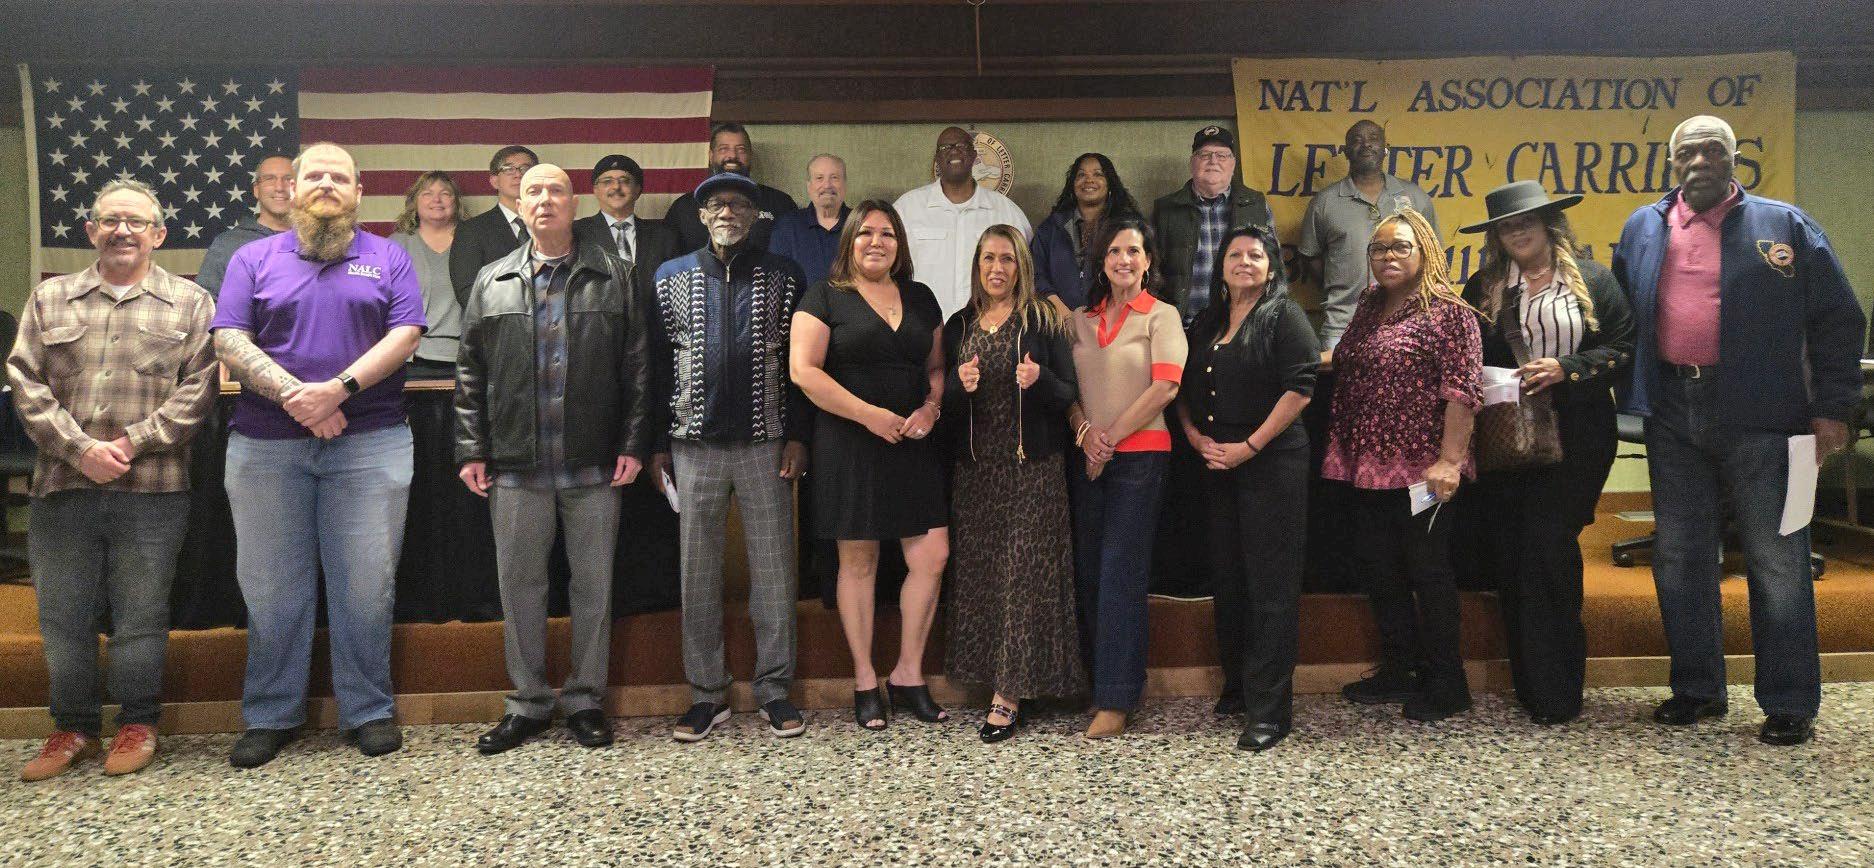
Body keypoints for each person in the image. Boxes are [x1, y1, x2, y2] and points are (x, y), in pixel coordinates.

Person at [1614, 115, 1864, 747]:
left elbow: (1839, 318)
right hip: (1673, 410)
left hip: (1766, 414)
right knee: (1680, 557)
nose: (1699, 162)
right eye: (1687, 153)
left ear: (1733, 160)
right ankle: (1698, 690)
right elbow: (1621, 318)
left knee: (1778, 557)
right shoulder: (1643, 226)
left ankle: (1788, 702)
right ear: (1671, 163)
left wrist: (1833, 407)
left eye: (1712, 151)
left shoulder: (1785, 226)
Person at [212, 142, 426, 767]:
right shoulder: (253, 258)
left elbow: (406, 334)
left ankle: (369, 710)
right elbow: (228, 338)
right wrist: (299, 398)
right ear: (291, 189)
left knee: (366, 584)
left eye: (339, 176)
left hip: (371, 443)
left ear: (359, 191)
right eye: (315, 175)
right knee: (271, 586)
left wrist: (339, 390)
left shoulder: (388, 256)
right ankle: (270, 714)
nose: (326, 184)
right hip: (265, 448)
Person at [7, 180, 218, 781]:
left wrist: (128, 444)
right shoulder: (50, 299)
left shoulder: (191, 303)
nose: (122, 230)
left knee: (141, 614)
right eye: (110, 220)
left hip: (153, 489)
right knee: (64, 616)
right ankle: (71, 727)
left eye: (136, 222)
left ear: (159, 234)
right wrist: (80, 450)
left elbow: (200, 389)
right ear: (91, 230)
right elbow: (24, 380)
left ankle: (138, 722)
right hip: (61, 486)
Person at [454, 164, 652, 754]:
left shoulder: (616, 275)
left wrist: (633, 444)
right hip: (516, 465)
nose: (544, 199)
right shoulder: (491, 279)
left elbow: (639, 368)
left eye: (556, 190)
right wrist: (471, 448)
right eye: (533, 190)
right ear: (520, 203)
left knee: (594, 585)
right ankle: (528, 703)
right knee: (520, 587)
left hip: (594, 463)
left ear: (575, 203)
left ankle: (586, 701)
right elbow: (470, 373)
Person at [1457, 181, 1635, 726]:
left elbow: (1626, 349)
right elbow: (1462, 356)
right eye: (1506, 225)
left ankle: (1560, 688)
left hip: (1578, 434)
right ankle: (1531, 684)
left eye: (1526, 221)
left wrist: (1567, 369)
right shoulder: (1483, 286)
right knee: (1512, 554)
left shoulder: (1595, 280)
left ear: (1549, 223)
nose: (1517, 231)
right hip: (1505, 438)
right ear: (1495, 236)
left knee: (1548, 545)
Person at [649, 172, 812, 742]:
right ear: (701, 215)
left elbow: (801, 364)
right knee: (697, 572)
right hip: (692, 444)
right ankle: (706, 694)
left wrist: (799, 435)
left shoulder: (785, 276)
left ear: (754, 215)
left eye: (739, 204)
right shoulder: (669, 277)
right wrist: (655, 445)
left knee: (774, 569)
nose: (727, 212)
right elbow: (655, 364)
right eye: (717, 204)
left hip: (767, 442)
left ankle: (775, 690)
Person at [790, 200, 951, 731]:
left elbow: (936, 367)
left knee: (931, 554)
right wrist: (868, 416)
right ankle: (864, 681)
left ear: (899, 244)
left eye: (887, 234)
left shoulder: (921, 297)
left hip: (914, 440)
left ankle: (908, 674)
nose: (876, 242)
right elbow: (804, 372)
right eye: (865, 233)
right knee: (858, 563)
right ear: (850, 242)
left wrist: (931, 408)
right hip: (849, 441)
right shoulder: (823, 295)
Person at [1321, 208, 1481, 722]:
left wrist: (1450, 462)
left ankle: (1448, 683)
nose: (1388, 256)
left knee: (1427, 570)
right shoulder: (1370, 304)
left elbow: (1462, 392)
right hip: (1367, 466)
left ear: (1425, 251)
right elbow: (1347, 361)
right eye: (1379, 248)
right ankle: (1399, 668)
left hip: (1425, 471)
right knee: (1380, 568)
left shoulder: (1449, 312)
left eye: (1400, 247)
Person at [1174, 224, 1319, 751]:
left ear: (1271, 266)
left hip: (1270, 463)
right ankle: (1238, 687)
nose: (1244, 262)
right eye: (1234, 254)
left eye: (1255, 255)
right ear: (1221, 266)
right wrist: (1195, 438)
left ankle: (1271, 712)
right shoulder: (1207, 321)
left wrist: (1249, 447)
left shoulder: (1285, 316)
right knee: (1229, 580)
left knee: (1270, 588)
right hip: (1217, 464)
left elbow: (1300, 391)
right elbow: (1182, 388)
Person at [940, 224, 1086, 743]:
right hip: (977, 473)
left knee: (1024, 579)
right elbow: (943, 404)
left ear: (1021, 265)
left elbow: (1069, 392)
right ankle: (999, 678)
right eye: (988, 258)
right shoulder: (959, 324)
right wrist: (957, 386)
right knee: (986, 579)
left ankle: (1009, 694)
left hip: (1032, 470)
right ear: (977, 265)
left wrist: (1040, 381)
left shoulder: (1042, 319)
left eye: (1006, 259)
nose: (997, 268)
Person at [1067, 217, 1187, 739]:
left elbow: (1165, 389)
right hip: (1088, 457)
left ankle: (1117, 699)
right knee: (1090, 574)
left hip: (1140, 459)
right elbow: (1066, 391)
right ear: (1101, 261)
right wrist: (1085, 435)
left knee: (1120, 574)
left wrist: (1109, 440)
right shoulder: (1079, 319)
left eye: (1133, 251)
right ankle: (1098, 683)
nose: (1123, 259)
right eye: (1114, 251)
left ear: (1148, 261)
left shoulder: (1162, 315)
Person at [1299, 120, 1439, 358]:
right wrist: (1343, 285)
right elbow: (1310, 256)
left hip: (1408, 324)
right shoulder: (1325, 202)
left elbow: (1432, 256)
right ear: (1345, 151)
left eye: (1373, 138)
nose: (1366, 144)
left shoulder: (1415, 197)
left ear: (1386, 148)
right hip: (1343, 325)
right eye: (1357, 140)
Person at [894, 126, 1033, 317]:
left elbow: (1027, 274)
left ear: (974, 155)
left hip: (988, 326)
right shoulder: (906, 208)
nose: (954, 151)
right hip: (922, 325)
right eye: (945, 147)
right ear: (936, 158)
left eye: (961, 145)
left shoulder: (1007, 212)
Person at [1150, 126, 1273, 324]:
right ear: (1192, 163)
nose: (1213, 161)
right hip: (1182, 326)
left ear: (1233, 164)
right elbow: (1150, 272)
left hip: (1243, 325)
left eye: (1222, 155)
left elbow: (1274, 267)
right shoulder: (1165, 210)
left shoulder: (1256, 205)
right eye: (1204, 155)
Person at [1031, 152, 1142, 311]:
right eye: (1081, 175)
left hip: (1115, 319)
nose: (1089, 180)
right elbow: (1036, 274)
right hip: (1058, 320)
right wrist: (1064, 314)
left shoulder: (1129, 227)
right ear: (1073, 184)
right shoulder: (1051, 228)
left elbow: (1137, 275)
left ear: (1110, 183)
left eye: (1098, 174)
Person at [665, 123, 798, 253]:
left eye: (741, 149)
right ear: (711, 156)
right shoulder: (683, 207)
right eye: (724, 149)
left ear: (750, 156)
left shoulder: (780, 203)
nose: (733, 156)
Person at [388, 171, 467, 379]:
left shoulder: (474, 241)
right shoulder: (396, 244)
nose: (436, 200)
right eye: (427, 193)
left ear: (456, 202)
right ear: (415, 202)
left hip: (466, 355)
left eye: (445, 194)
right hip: (410, 356)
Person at [572, 153, 680, 298]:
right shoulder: (577, 233)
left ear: (637, 189)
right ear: (595, 190)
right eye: (607, 181)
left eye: (625, 181)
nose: (616, 187)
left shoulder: (664, 237)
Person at [448, 145, 538, 306]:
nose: (518, 174)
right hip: (500, 320)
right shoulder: (471, 231)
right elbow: (468, 293)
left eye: (525, 169)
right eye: (508, 169)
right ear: (494, 181)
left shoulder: (556, 226)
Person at [196, 153, 294, 297]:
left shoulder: (314, 242)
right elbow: (207, 303)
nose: (279, 187)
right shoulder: (228, 244)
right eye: (269, 179)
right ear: (256, 190)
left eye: (288, 179)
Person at [769, 153, 851, 287]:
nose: (827, 185)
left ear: (845, 184)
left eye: (834, 178)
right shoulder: (787, 226)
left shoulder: (860, 224)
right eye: (819, 178)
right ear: (809, 186)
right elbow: (776, 279)